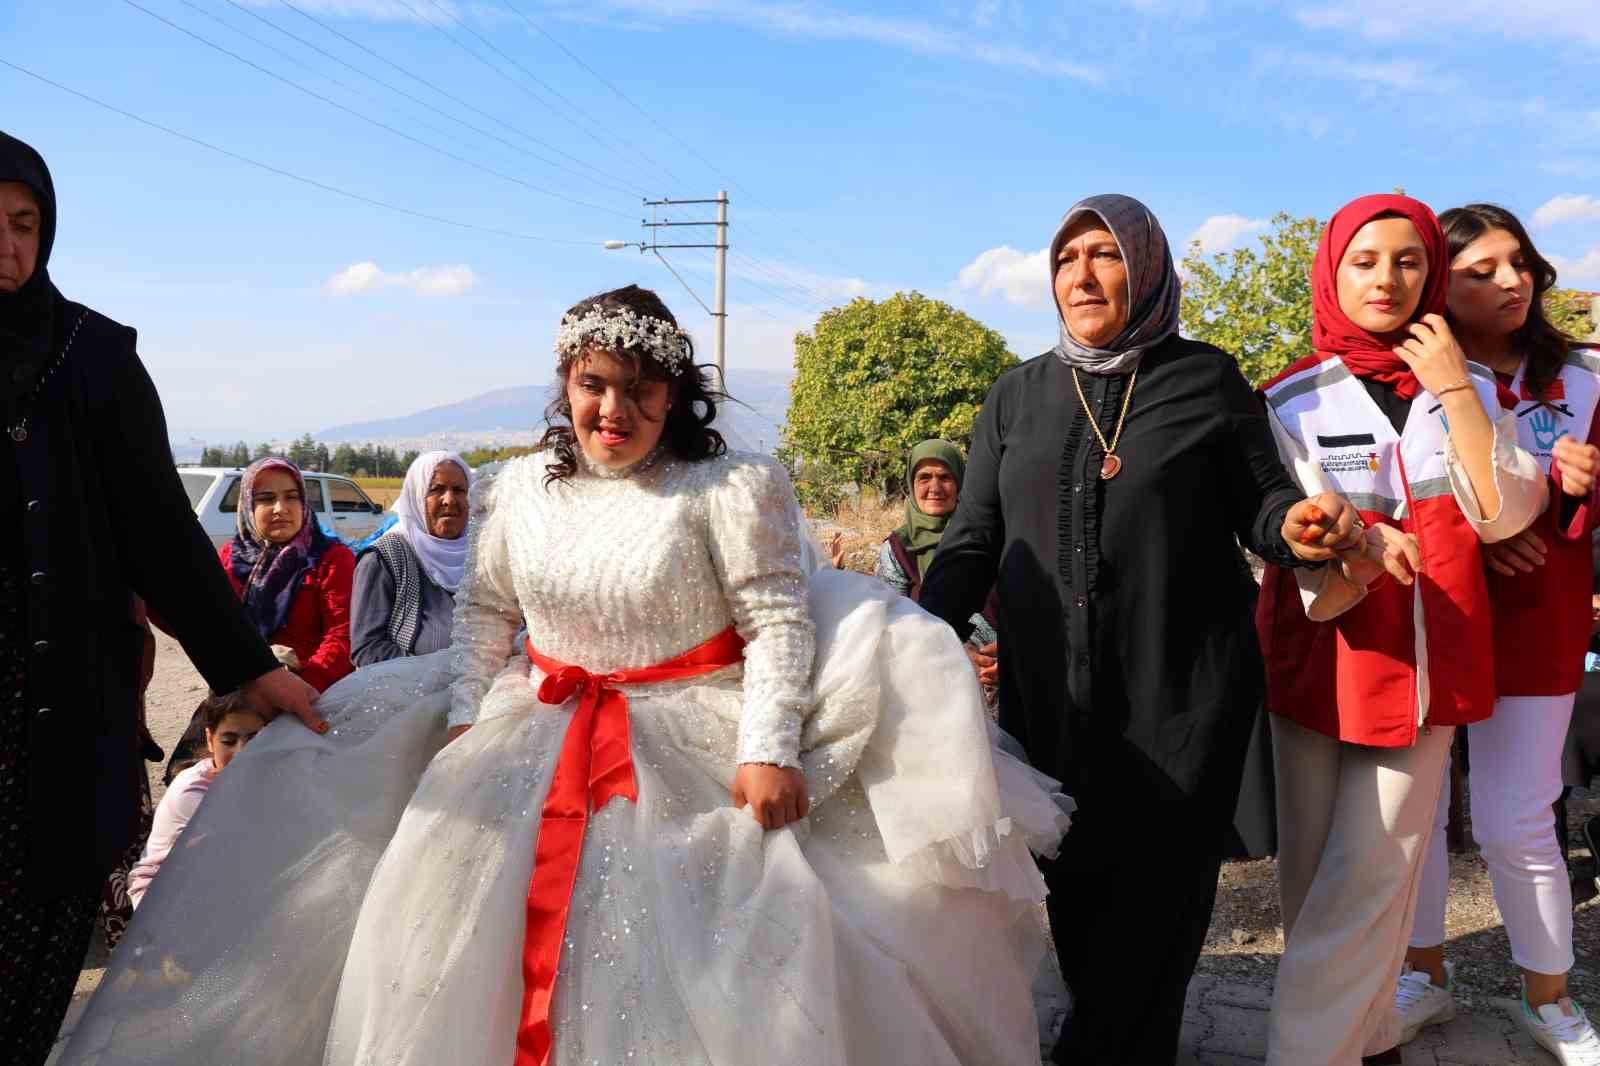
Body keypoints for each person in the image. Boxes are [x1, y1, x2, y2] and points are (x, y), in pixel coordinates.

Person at [58, 284, 1071, 1066]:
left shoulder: (732, 486)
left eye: (639, 389)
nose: (613, 409)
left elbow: (774, 623)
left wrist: (768, 749)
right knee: (441, 943)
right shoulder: (523, 492)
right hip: (527, 734)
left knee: (700, 967)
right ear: (565, 388)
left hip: (692, 746)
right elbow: (487, 616)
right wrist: (460, 716)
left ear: (676, 396)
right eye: (593, 385)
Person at [918, 193, 1359, 1066]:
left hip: (1183, 697)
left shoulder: (1208, 380)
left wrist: (1297, 528)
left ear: (1147, 268)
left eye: (1105, 255)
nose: (1081, 274)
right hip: (1053, 707)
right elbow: (973, 538)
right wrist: (908, 626)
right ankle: (1109, 1033)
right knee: (1075, 897)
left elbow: (1263, 505)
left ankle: (1110, 1047)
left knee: (1160, 906)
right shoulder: (1016, 396)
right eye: (1065, 258)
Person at [0, 130, 320, 1066]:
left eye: (24, 225)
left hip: (58, 721)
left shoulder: (93, 360)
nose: (7, 248)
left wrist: (253, 674)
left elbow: (165, 542)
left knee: (32, 963)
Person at [1255, 194, 1548, 1066]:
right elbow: (1272, 528)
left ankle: (1305, 1052)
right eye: (1366, 261)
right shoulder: (1288, 396)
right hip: (1322, 656)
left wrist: (1456, 387)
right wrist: (1342, 541)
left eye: (1409, 261)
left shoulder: (1476, 387)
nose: (1387, 279)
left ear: (1431, 272)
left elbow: (1504, 515)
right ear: (1332, 271)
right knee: (1310, 877)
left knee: (1375, 875)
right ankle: (1366, 1033)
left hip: (1427, 666)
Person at [1396, 204, 1600, 1063]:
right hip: (1435, 620)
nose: (1511, 281)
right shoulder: (1398, 376)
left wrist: (1578, 485)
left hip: (1539, 626)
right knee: (1421, 811)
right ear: (1440, 285)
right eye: (1480, 271)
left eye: (1518, 262)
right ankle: (1423, 978)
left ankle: (1549, 998)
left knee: (1518, 818)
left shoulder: (1585, 379)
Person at [163, 457, 354, 782]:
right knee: (190, 781)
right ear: (247, 506)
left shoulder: (332, 560)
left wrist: (294, 689)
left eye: (291, 496)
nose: (280, 507)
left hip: (308, 697)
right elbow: (206, 625)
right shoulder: (229, 560)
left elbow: (342, 637)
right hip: (237, 697)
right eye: (266, 499)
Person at [875, 439, 999, 687]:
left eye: (945, 477)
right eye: (924, 477)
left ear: (962, 484)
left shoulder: (992, 537)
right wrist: (956, 652)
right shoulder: (899, 549)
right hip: (932, 678)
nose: (935, 487)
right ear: (911, 483)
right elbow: (889, 623)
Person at [126, 693, 264, 910]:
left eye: (255, 739)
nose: (241, 752)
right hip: (161, 904)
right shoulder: (194, 793)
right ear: (210, 740)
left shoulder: (266, 776)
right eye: (228, 741)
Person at [350, 450, 471, 665]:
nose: (449, 499)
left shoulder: (481, 554)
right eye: (436, 489)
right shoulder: (384, 559)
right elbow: (367, 649)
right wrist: (444, 671)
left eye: (459, 490)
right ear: (416, 496)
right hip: (411, 693)